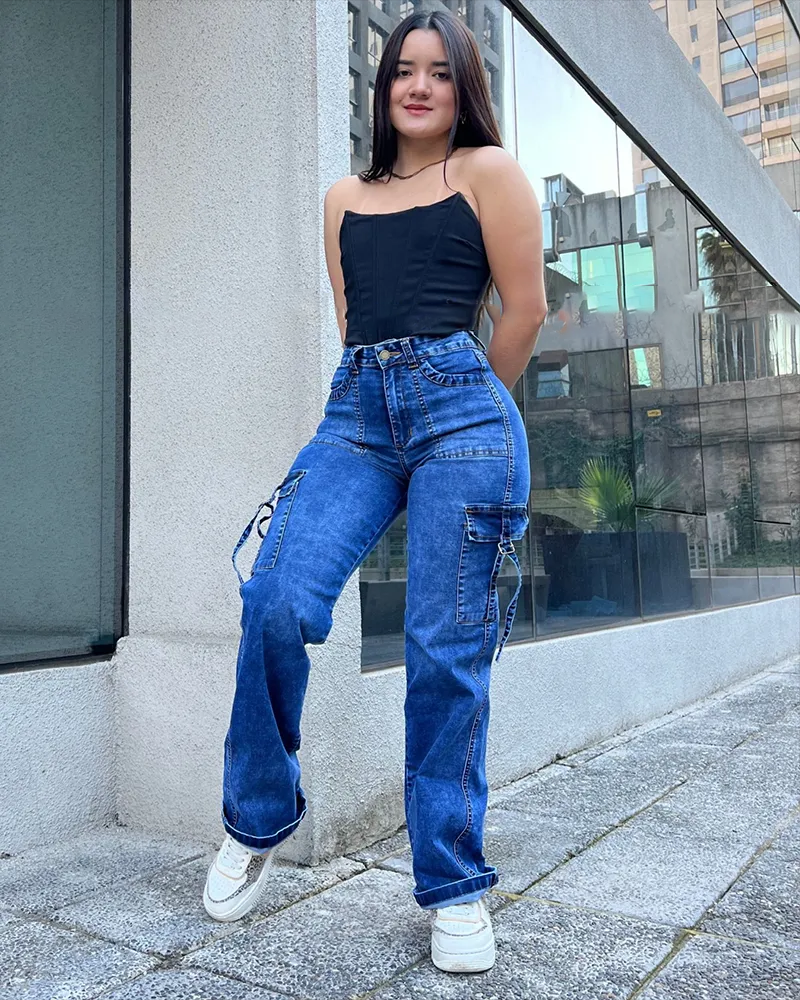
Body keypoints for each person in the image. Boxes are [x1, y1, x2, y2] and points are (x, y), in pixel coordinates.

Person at [202, 7, 546, 975]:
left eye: (439, 71)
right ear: (383, 84)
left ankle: (453, 882)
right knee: (276, 596)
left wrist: (467, 415)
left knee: (443, 649)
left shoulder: (486, 173)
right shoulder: (342, 198)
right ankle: (257, 815)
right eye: (403, 69)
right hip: (355, 413)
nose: (419, 85)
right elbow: (354, 322)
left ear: (462, 88)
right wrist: (397, 408)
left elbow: (523, 310)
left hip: (463, 415)